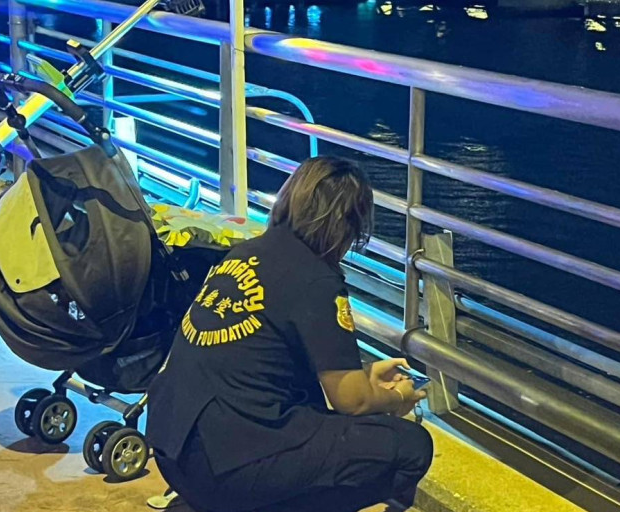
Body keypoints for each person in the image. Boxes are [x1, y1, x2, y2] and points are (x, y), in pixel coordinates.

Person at [146, 156, 434, 512]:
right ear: (348, 225)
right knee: (410, 447)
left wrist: (365, 378)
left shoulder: (244, 252)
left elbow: (262, 361)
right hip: (221, 471)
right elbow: (353, 402)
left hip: (173, 452)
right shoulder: (316, 279)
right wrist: (396, 398)